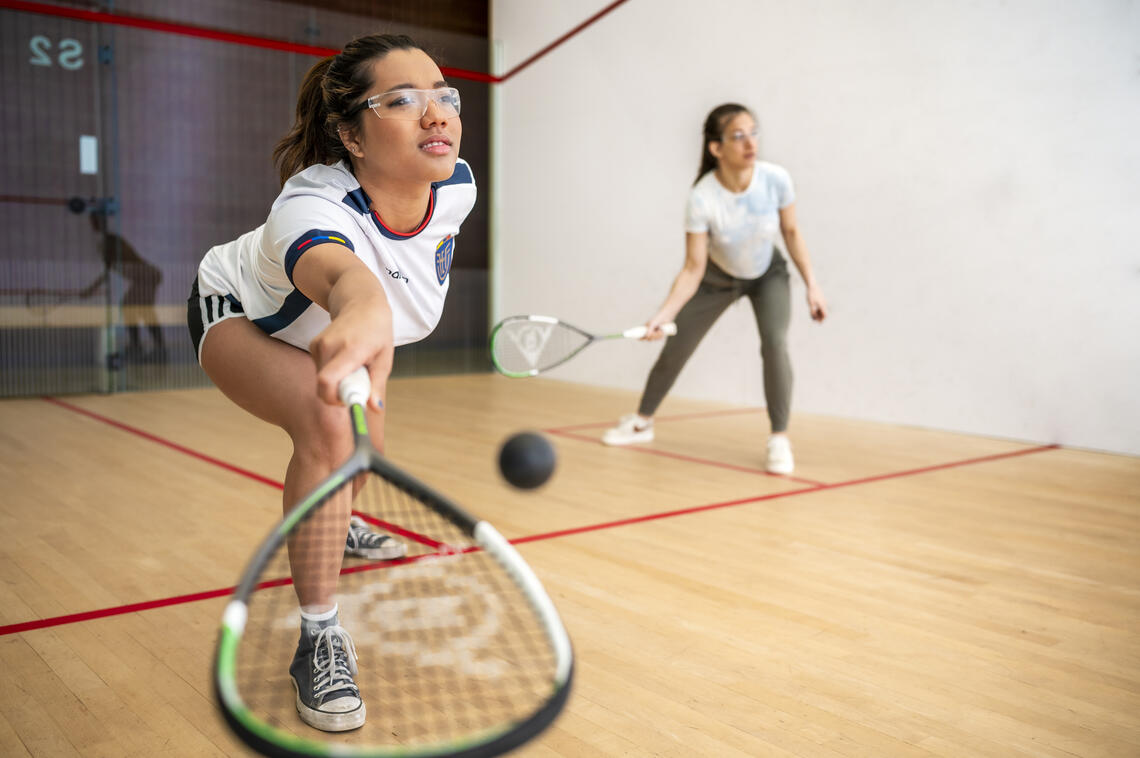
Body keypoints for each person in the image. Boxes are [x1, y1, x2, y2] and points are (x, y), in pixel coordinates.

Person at [186, 34, 475, 732]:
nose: (435, 114)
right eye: (403, 101)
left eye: (444, 95)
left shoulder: (457, 184)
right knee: (328, 431)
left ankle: (338, 524)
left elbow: (396, 284)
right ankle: (318, 635)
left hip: (355, 332)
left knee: (365, 439)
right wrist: (363, 302)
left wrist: (373, 318)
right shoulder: (308, 206)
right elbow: (344, 276)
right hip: (242, 315)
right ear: (351, 133)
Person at [602, 103, 826, 474]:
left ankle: (779, 439)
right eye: (738, 136)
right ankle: (641, 422)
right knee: (677, 346)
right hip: (716, 280)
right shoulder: (702, 198)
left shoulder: (776, 179)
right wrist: (663, 315)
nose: (750, 142)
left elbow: (791, 233)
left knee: (775, 342)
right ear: (716, 148)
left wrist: (812, 286)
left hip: (768, 274)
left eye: (753, 132)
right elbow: (693, 268)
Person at [79, 209, 167, 363]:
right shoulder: (107, 241)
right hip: (145, 277)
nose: (93, 224)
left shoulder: (109, 242)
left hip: (147, 276)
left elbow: (106, 273)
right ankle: (147, 348)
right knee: (138, 309)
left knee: (135, 308)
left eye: (96, 220)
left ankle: (142, 348)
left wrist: (90, 290)